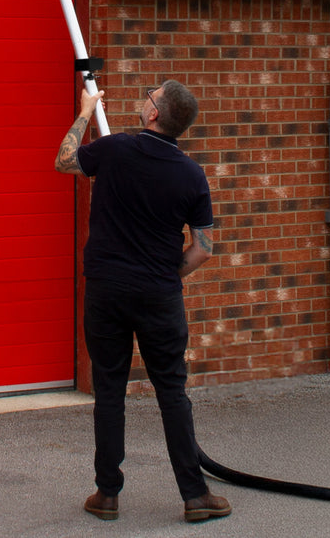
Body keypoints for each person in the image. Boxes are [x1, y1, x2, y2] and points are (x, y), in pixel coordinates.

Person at [55, 78, 231, 524]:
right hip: (159, 298)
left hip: (106, 290)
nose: (142, 100)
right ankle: (194, 496)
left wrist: (84, 111)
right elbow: (204, 248)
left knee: (110, 390)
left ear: (155, 114)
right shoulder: (191, 174)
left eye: (149, 98)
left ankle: (106, 494)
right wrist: (165, 276)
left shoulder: (114, 150)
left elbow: (65, 162)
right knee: (172, 391)